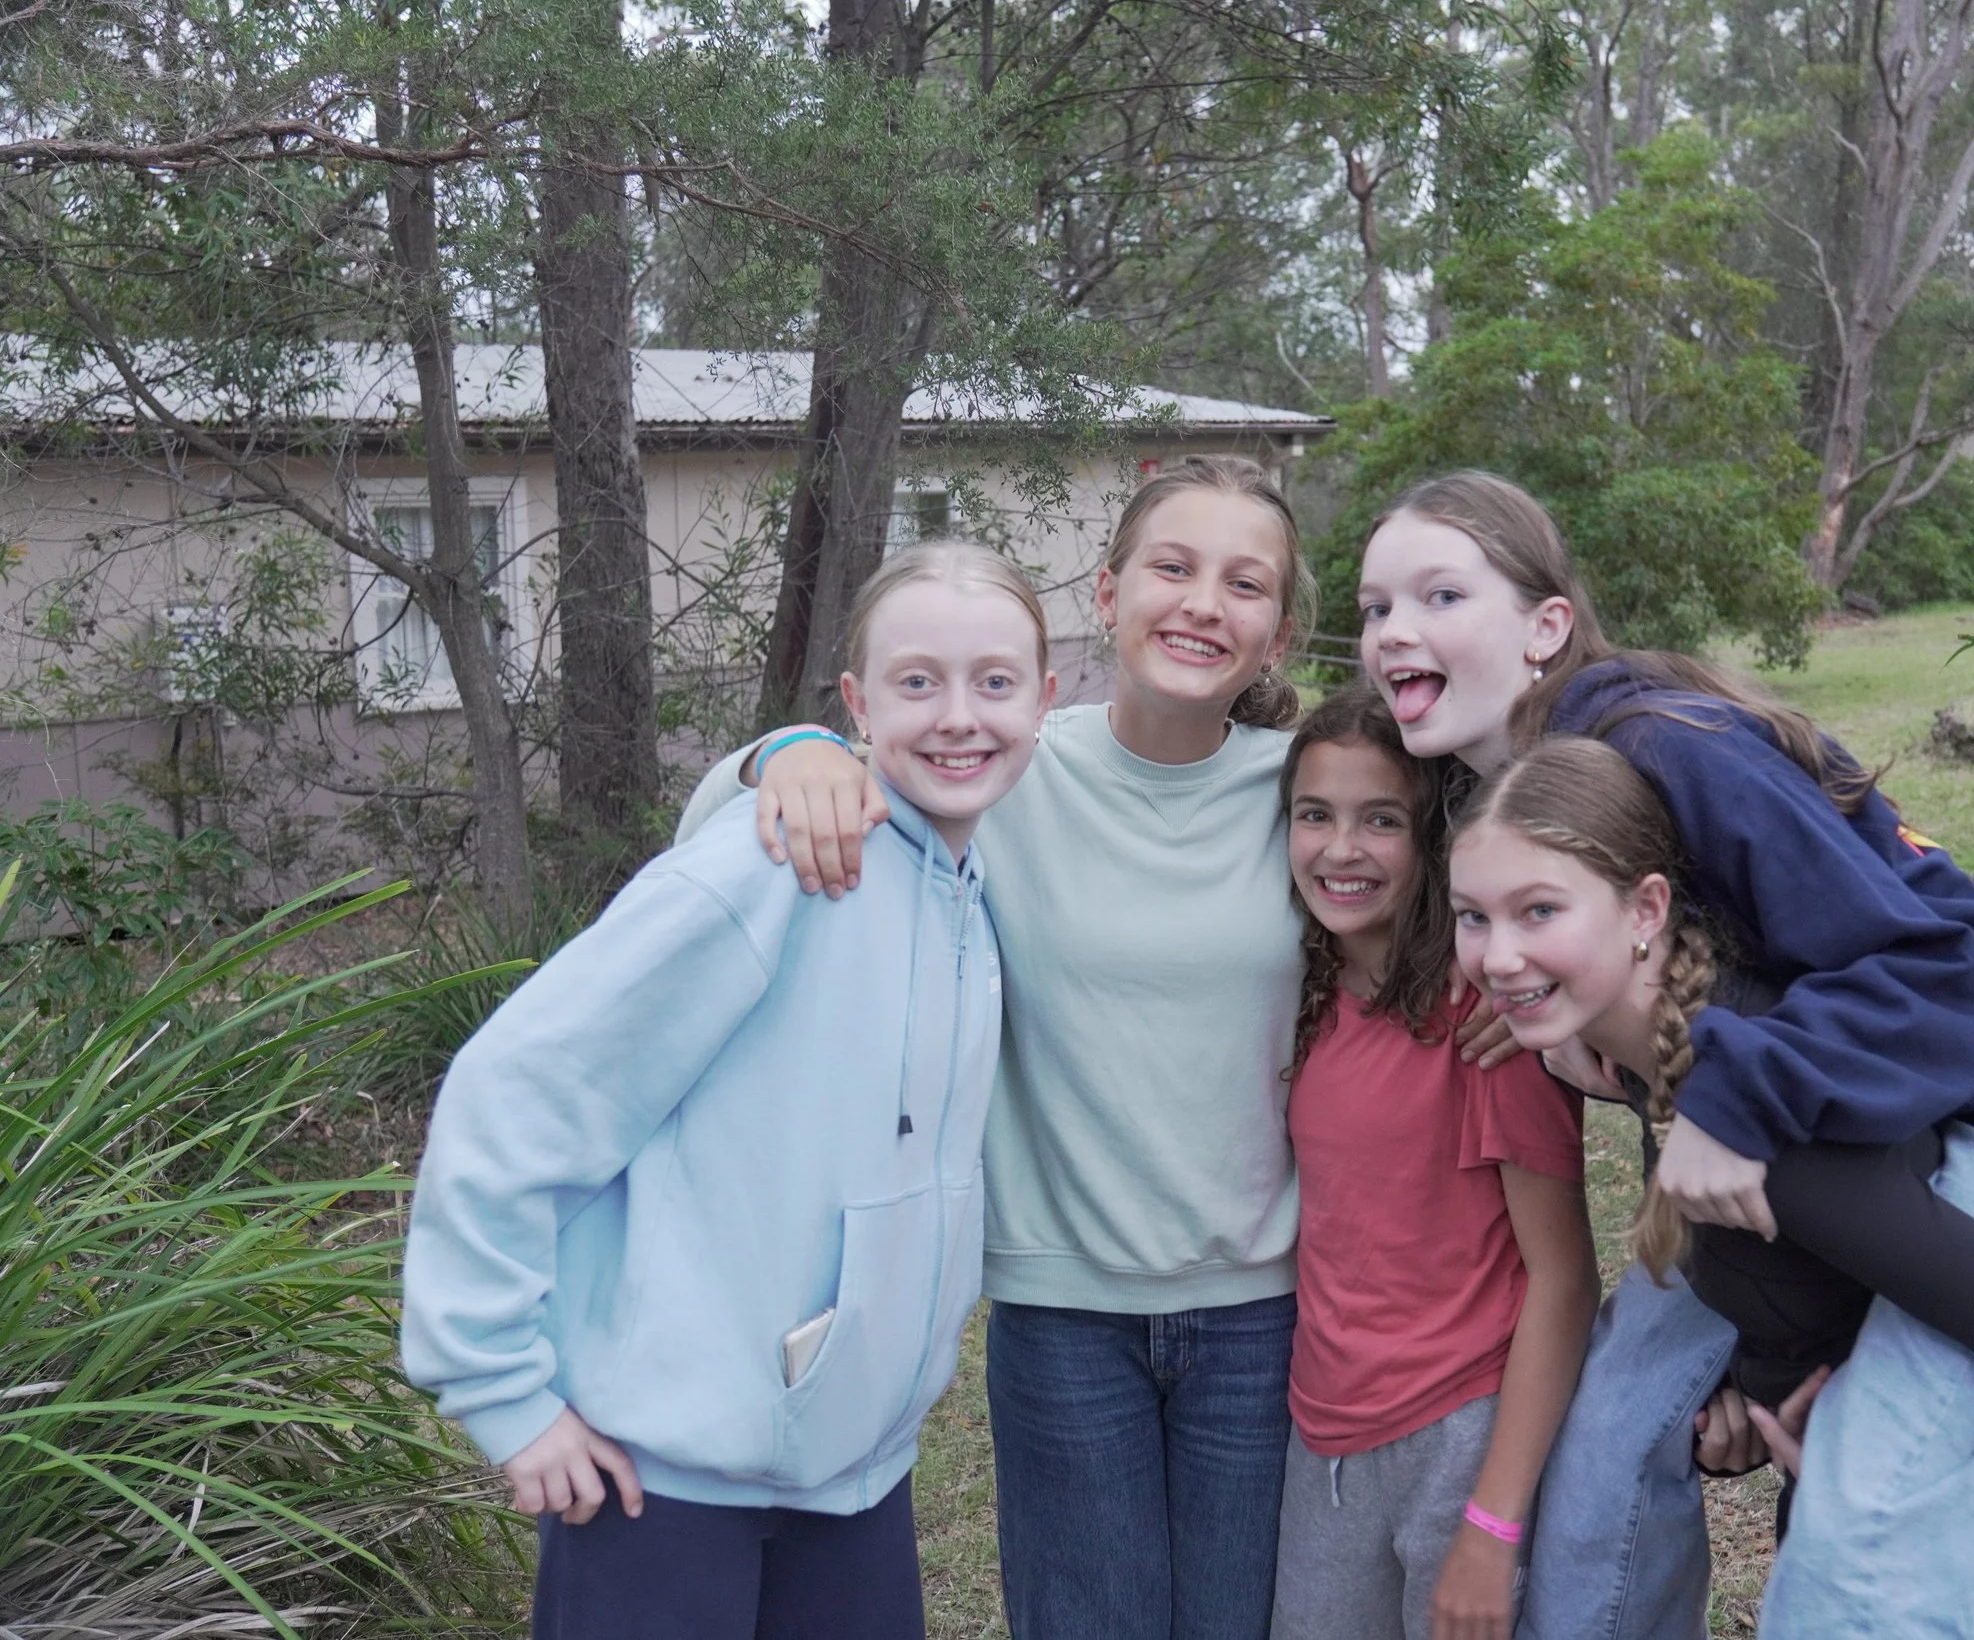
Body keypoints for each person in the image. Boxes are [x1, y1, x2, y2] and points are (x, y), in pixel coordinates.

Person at [675, 457, 1513, 1639]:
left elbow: (1486, 855)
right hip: (1060, 1310)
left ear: (1278, 633)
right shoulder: (1005, 769)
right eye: (1172, 568)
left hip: (1261, 1311)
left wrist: (1501, 979)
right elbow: (713, 824)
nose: (1202, 603)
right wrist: (787, 752)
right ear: (1108, 589)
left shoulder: (1308, 793)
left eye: (1244, 583)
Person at [1355, 470, 1974, 1640]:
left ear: (1545, 625)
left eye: (1438, 593)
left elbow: (1928, 973)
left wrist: (1731, 1099)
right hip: (1841, 1119)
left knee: (1875, 1492)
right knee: (1612, 1443)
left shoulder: (1662, 744)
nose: (1394, 630)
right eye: (1374, 606)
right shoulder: (1522, 796)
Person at [400, 541, 1058, 1640]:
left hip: (852, 1470)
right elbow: (518, 1088)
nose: (958, 716)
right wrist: (501, 1391)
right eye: (915, 682)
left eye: (995, 682)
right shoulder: (777, 866)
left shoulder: (967, 882)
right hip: (667, 1481)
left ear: (1045, 700)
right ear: (854, 702)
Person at [1447, 734, 1974, 1640]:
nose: (1499, 956)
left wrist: (1882, 1464)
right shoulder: (1643, 1061)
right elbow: (1821, 1285)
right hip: (1835, 1513)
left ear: (1644, 909)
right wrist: (1746, 1396)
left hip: (1948, 1548)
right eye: (1475, 916)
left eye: (1539, 911)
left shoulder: (1763, 1114)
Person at [1270, 685, 1600, 1640]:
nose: (1341, 849)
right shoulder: (1307, 995)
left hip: (1464, 1436)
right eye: (1314, 815)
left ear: (1433, 841)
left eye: (1382, 820)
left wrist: (1492, 1524)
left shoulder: (1486, 1023)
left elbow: (1566, 1280)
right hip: (1322, 1436)